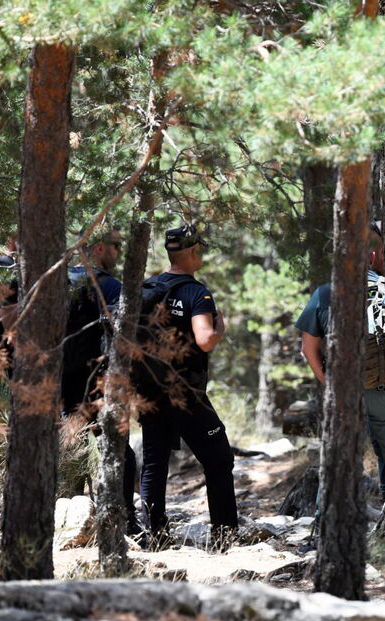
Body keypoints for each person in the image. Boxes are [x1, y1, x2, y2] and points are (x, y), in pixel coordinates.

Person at [136, 224, 237, 547]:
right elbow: (205, 340)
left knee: (154, 463)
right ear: (193, 252)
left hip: (150, 391)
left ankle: (155, 536)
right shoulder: (197, 293)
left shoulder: (147, 288)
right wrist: (220, 327)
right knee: (219, 459)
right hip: (187, 395)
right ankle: (224, 537)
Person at [295, 221, 385, 499]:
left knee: (341, 457)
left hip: (345, 391)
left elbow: (308, 348)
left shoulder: (326, 293)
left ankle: (331, 521)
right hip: (379, 390)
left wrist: (328, 383)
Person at [61, 228, 140, 536]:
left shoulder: (59, 282)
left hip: (62, 379)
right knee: (117, 446)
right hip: (98, 380)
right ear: (96, 249)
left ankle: (70, 515)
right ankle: (125, 519)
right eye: (115, 246)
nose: (119, 251)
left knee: (72, 443)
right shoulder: (109, 285)